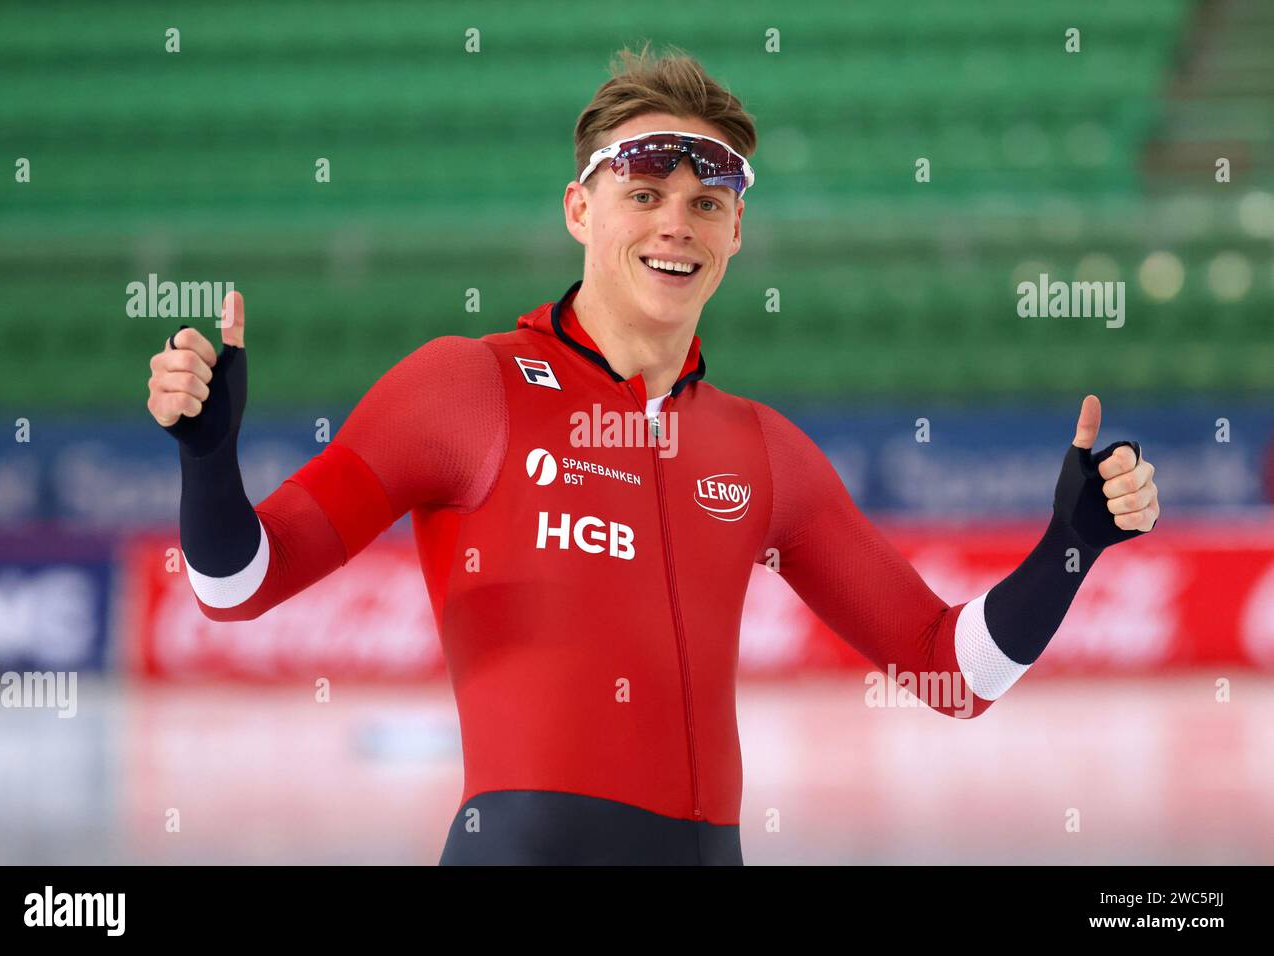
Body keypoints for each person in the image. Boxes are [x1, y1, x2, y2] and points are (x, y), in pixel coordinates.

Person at [145, 45, 1160, 865]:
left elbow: (949, 673)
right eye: (643, 191)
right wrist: (207, 458)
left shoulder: (762, 450)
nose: (676, 221)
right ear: (579, 211)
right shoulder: (465, 388)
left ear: (734, 236)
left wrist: (1070, 546)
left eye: (706, 202)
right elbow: (240, 587)